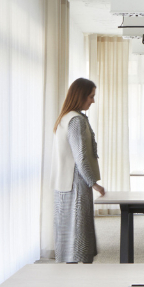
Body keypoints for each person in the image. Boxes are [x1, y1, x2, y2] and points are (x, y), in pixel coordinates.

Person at [52, 78, 105, 263]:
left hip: (63, 182)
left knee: (66, 232)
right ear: (80, 95)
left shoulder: (65, 117)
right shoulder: (76, 121)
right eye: (91, 96)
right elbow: (80, 156)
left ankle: (70, 268)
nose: (93, 101)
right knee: (79, 231)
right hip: (76, 182)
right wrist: (94, 184)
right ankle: (80, 269)